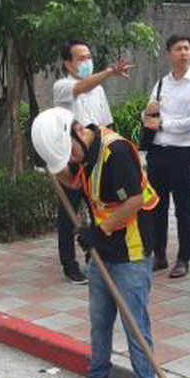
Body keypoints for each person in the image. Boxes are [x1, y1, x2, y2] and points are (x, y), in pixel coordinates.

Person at [31, 108, 161, 378]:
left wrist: (98, 231)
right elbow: (72, 178)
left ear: (77, 130)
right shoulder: (84, 152)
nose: (71, 158)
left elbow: (133, 201)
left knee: (136, 328)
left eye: (69, 151)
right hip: (101, 253)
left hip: (130, 253)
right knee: (100, 322)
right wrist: (52, 166)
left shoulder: (116, 151)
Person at [52, 40, 133, 284]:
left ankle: (95, 256)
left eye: (89, 57)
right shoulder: (63, 86)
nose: (87, 62)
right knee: (69, 213)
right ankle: (70, 265)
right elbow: (82, 87)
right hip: (73, 158)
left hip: (97, 158)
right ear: (68, 63)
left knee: (98, 208)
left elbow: (105, 123)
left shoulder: (98, 89)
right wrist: (109, 72)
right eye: (81, 58)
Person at [142, 34, 190, 279]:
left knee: (184, 208)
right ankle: (159, 254)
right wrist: (146, 115)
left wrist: (161, 124)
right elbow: (147, 116)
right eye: (179, 49)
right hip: (158, 153)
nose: (184, 53)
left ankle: (184, 258)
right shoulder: (162, 83)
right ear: (169, 54)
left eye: (187, 48)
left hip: (182, 153)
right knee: (155, 207)